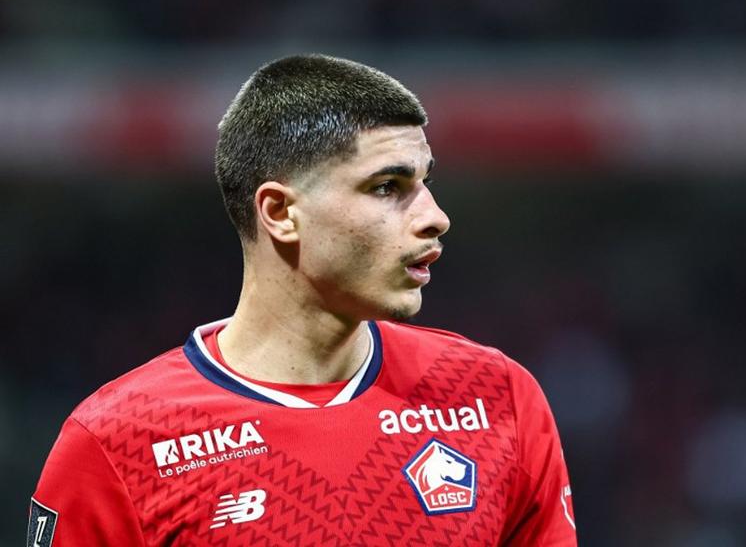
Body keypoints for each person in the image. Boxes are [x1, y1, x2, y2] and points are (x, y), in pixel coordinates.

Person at [28, 55, 577, 546]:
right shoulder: (120, 440)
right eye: (387, 186)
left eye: (425, 182)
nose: (435, 216)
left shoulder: (494, 398)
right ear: (280, 213)